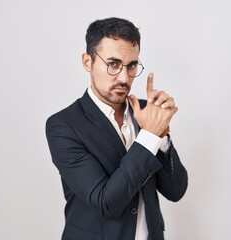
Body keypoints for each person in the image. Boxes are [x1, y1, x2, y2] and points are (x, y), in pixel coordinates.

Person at [45, 17, 188, 240]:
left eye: (132, 65)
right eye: (113, 64)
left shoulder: (146, 112)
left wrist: (162, 135)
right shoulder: (63, 126)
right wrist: (150, 135)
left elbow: (176, 191)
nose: (124, 77)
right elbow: (107, 203)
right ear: (87, 62)